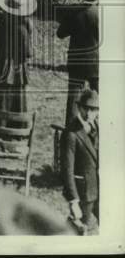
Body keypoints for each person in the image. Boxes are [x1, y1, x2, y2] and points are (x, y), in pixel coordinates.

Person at [57, 0, 99, 126]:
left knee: (73, 99)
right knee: (99, 95)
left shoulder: (74, 12)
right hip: (95, 62)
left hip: (76, 62)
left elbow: (60, 33)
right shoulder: (99, 13)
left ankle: (71, 129)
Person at [0, 0, 36, 112]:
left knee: (1, 100)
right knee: (16, 100)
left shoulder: (3, 21)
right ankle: (15, 124)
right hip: (16, 67)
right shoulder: (22, 28)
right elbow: (28, 53)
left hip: (2, 62)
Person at [62, 88, 99, 232]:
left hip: (101, 190)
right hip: (84, 194)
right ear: (79, 107)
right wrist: (73, 200)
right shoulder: (71, 133)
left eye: (93, 109)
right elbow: (67, 169)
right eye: (86, 108)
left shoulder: (99, 127)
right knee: (80, 231)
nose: (89, 113)